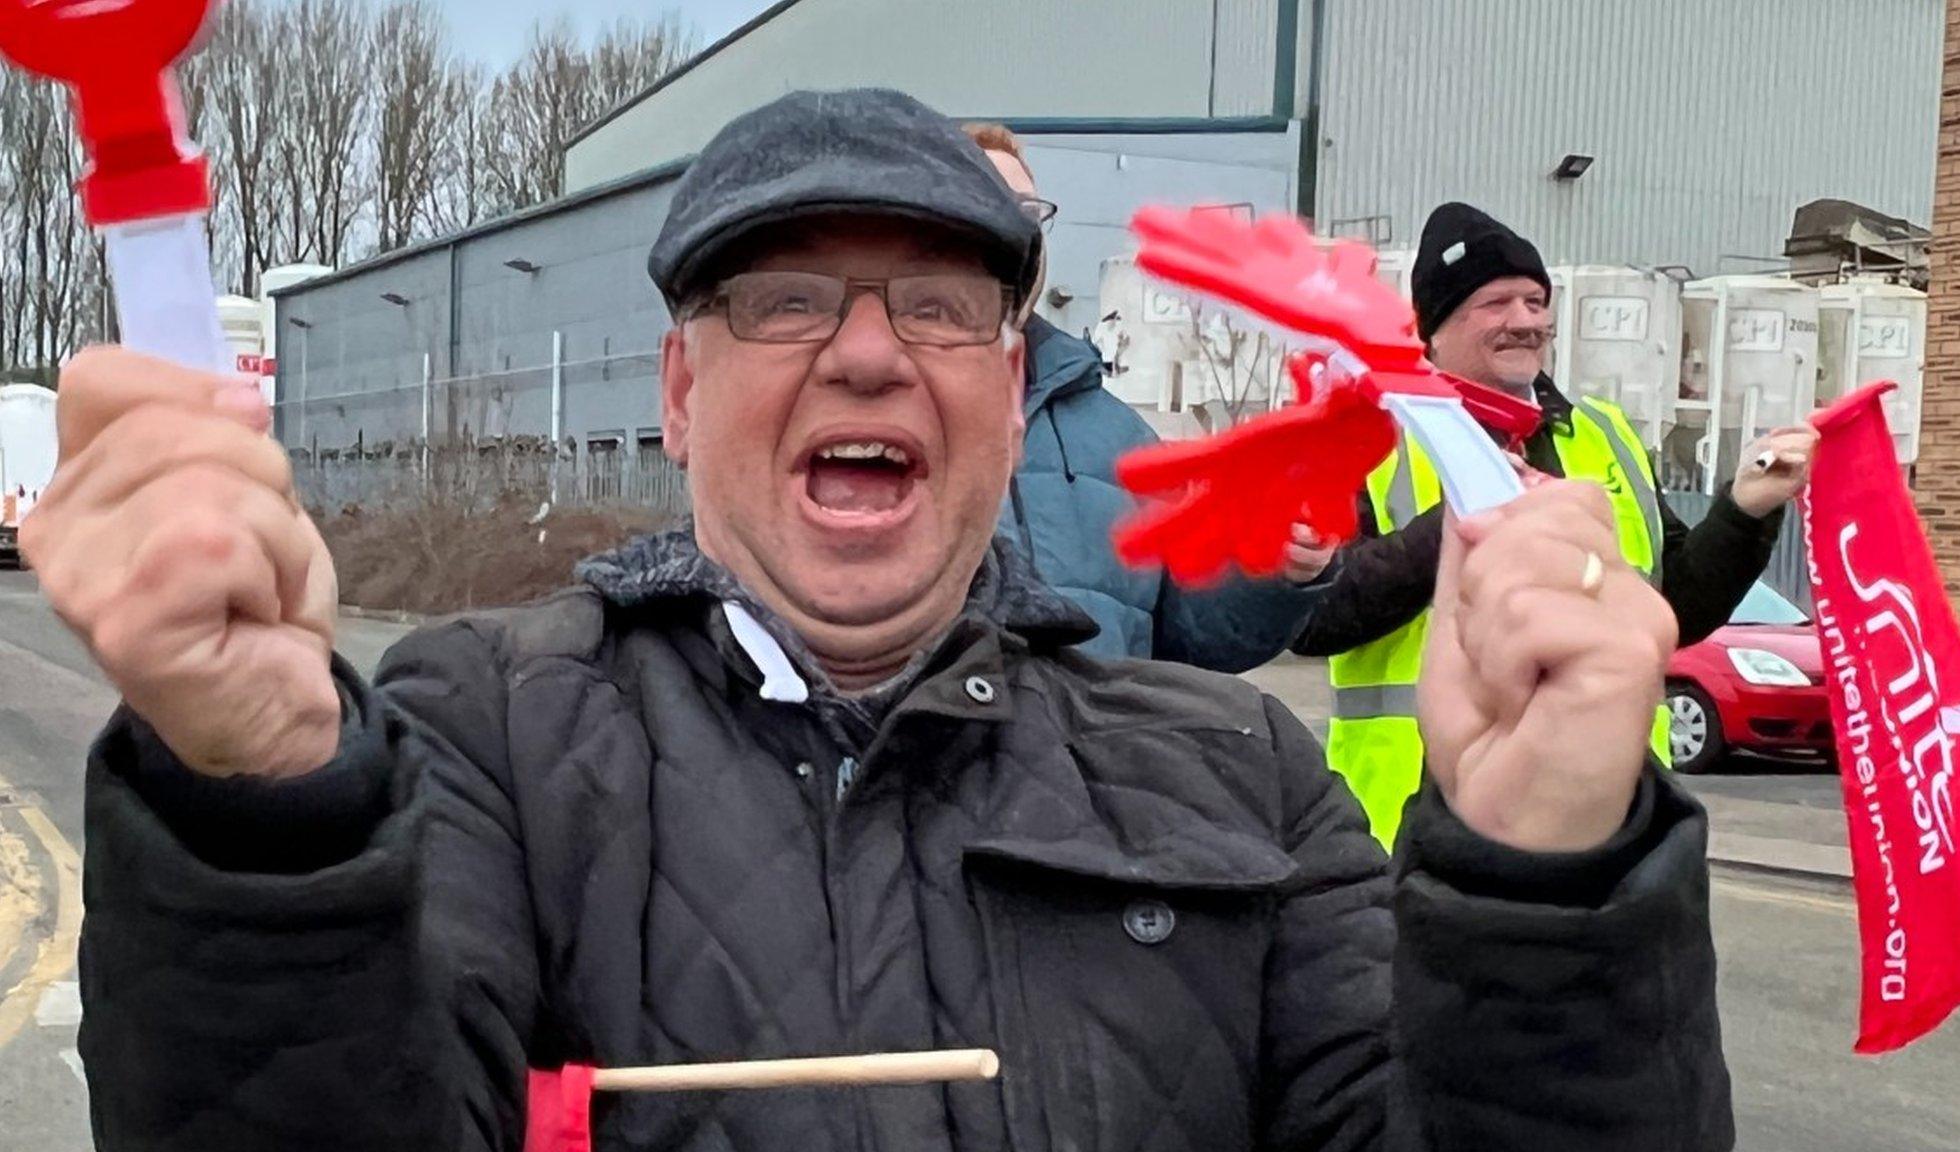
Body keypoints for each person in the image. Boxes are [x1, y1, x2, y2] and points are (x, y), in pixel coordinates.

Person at [26, 90, 1733, 1151]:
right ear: (681, 392)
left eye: (937, 301)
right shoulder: (481, 730)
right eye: (782, 300)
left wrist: (1544, 892)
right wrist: (258, 813)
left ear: (1013, 391)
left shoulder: (1234, 783)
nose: (863, 353)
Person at [1294, 201, 1817, 849]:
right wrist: (1457, 526)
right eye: (1497, 303)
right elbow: (1313, 618)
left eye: (1537, 302)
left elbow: (1675, 606)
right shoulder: (1369, 438)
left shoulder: (1606, 436)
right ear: (1434, 327)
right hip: (1419, 824)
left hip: (1607, 821)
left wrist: (1744, 511)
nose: (1526, 322)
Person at [964, 121, 1333, 673]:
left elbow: (1197, 636)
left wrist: (1276, 565)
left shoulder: (1122, 440)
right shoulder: (877, 422)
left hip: (1089, 758)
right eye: (983, 204)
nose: (1012, 230)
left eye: (1027, 212)